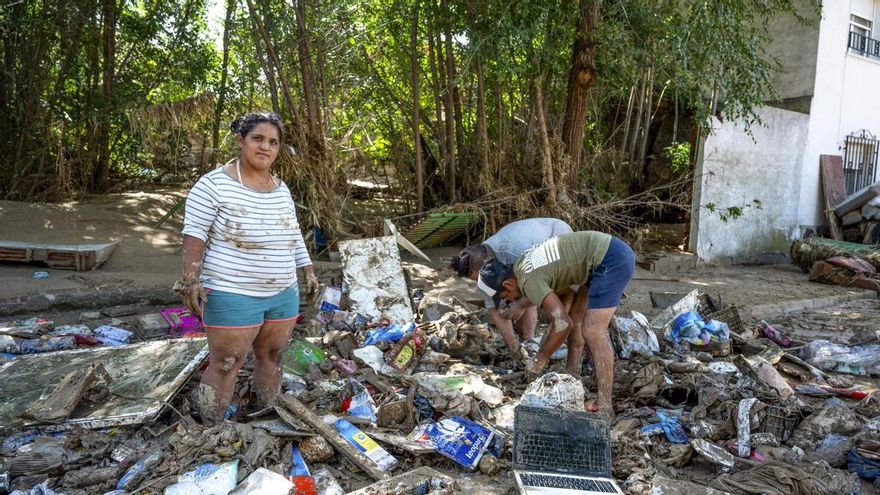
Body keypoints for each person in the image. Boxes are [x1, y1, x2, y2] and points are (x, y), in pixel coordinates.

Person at [173, 111, 319, 424]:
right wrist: (189, 279)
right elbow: (194, 234)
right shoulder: (212, 185)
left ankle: (264, 415)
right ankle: (210, 430)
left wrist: (306, 268)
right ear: (241, 140)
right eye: (258, 139)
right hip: (232, 290)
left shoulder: (281, 189)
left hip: (282, 292)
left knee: (272, 356)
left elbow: (292, 232)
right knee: (226, 362)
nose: (265, 147)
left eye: (273, 142)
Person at [476, 231, 635, 415]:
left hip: (609, 260)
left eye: (506, 297)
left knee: (593, 330)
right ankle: (572, 373)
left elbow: (562, 323)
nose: (508, 301)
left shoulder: (528, 280)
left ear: (508, 285)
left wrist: (539, 359)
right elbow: (561, 294)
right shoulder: (521, 265)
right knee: (577, 316)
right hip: (601, 258)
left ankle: (605, 405)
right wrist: (521, 303)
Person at [448, 218, 572, 361]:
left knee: (562, 305)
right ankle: (529, 345)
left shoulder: (515, 251)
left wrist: (521, 305)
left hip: (556, 237)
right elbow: (494, 308)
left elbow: (539, 285)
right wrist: (513, 346)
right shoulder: (481, 265)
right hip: (530, 267)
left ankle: (560, 349)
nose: (482, 283)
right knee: (516, 299)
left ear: (487, 264)